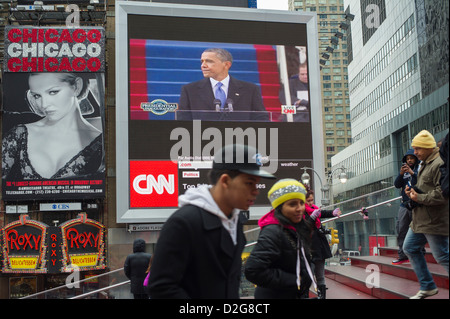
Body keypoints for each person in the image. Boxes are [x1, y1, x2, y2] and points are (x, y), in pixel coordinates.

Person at [148, 144, 276, 299]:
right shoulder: (183, 222)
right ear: (225, 181)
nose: (256, 190)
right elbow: (161, 288)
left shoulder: (235, 221)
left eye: (256, 183)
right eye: (249, 183)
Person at [2, 72, 104, 181]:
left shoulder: (100, 142)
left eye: (53, 92)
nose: (44, 104)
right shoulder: (19, 134)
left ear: (76, 87)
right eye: (37, 96)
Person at [244, 179, 316, 299]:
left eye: (301, 203)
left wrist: (306, 275)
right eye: (292, 204)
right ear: (279, 207)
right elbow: (253, 271)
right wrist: (295, 280)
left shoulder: (298, 227)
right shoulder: (273, 232)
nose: (299, 209)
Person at [403, 130, 449, 299]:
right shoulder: (425, 162)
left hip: (434, 220)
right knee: (409, 248)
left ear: (428, 147)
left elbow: (443, 194)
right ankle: (428, 286)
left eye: (418, 149)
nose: (414, 152)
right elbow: (427, 188)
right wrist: (412, 192)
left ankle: (427, 286)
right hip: (420, 220)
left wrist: (419, 197)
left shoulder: (439, 163)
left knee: (442, 255)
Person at [178, 48, 269, 121]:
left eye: (209, 61)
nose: (203, 65)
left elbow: (261, 119)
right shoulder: (190, 90)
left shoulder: (250, 89)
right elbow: (183, 120)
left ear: (226, 65)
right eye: (202, 61)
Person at [304, 190, 341, 299]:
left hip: (319, 247)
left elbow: (322, 213)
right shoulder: (301, 212)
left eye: (312, 200)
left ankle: (322, 296)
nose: (311, 202)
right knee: (308, 276)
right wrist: (312, 218)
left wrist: (333, 213)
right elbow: (304, 228)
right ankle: (304, 296)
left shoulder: (314, 209)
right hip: (309, 249)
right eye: (308, 200)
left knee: (320, 275)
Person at [392, 149, 419, 265]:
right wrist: (401, 174)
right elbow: (397, 184)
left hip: (417, 204)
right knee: (401, 229)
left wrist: (412, 173)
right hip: (404, 204)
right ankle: (402, 256)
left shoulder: (419, 169)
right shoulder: (404, 172)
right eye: (407, 159)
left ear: (415, 159)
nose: (409, 161)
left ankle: (419, 254)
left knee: (418, 230)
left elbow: (422, 181)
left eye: (411, 158)